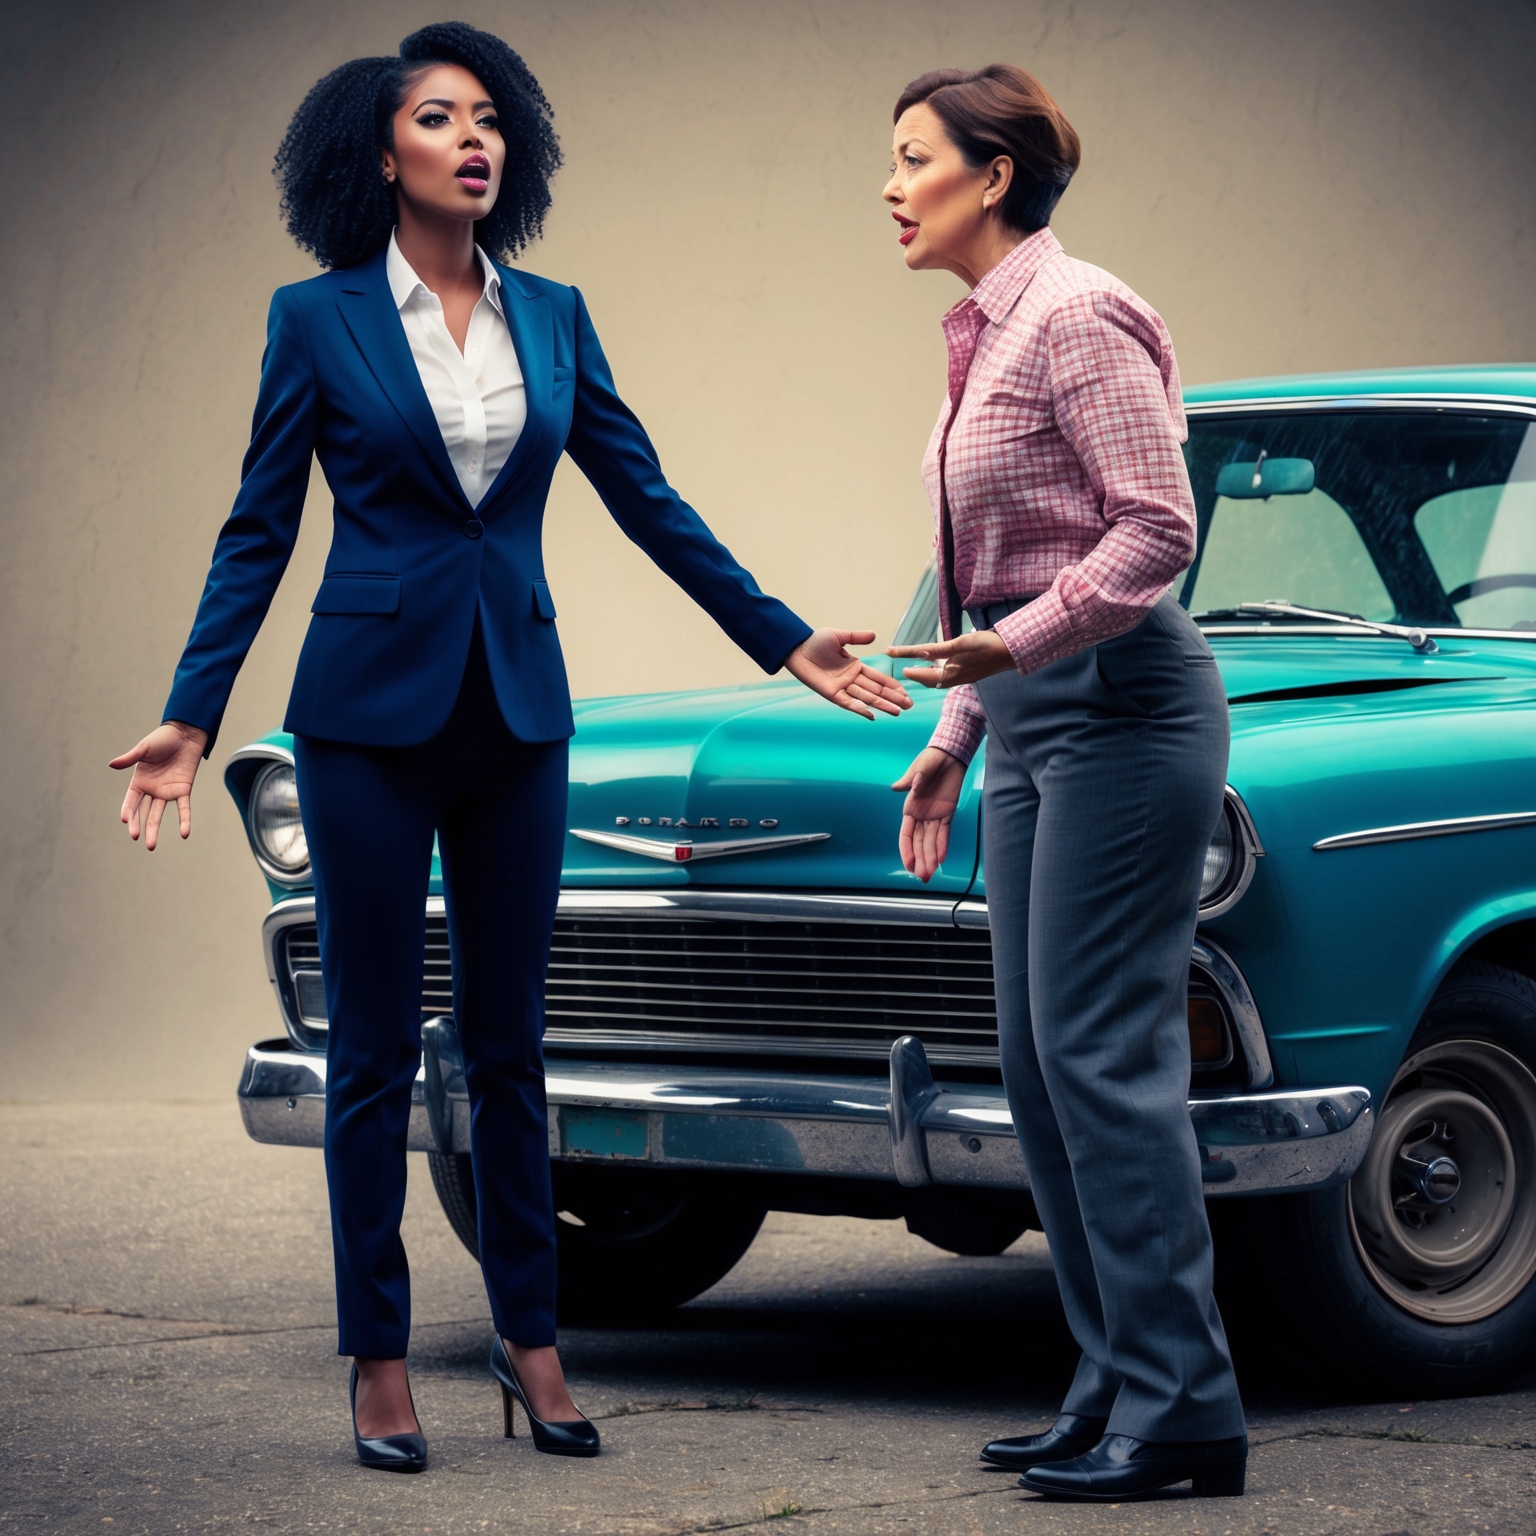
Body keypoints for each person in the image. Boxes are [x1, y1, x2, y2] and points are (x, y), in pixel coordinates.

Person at [110, 21, 910, 1474]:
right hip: (361, 721)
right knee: (366, 1054)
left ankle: (534, 1345)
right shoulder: (318, 318)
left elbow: (643, 493)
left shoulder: (555, 314)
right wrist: (191, 711)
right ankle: (379, 1358)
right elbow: (258, 528)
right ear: (381, 155)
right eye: (439, 116)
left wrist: (780, 636)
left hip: (518, 720)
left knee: (511, 1052)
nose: (473, 138)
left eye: (490, 118)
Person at [882, 66, 1248, 1502]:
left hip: (1126, 710)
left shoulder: (1078, 311)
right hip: (1037, 726)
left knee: (1103, 1062)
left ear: (995, 176)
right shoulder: (983, 334)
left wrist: (1017, 651)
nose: (893, 187)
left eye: (915, 159)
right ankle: (1111, 1384)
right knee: (1041, 1072)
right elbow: (999, 574)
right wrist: (954, 736)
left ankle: (1187, 1412)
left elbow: (1158, 527)